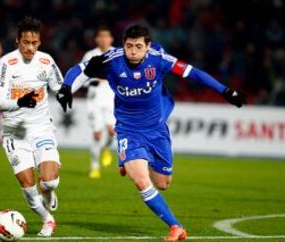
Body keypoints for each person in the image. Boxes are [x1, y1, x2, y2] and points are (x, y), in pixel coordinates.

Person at [57, 25, 246, 241]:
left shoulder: (159, 59)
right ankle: (175, 226)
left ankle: (129, 160)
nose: (133, 51)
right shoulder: (111, 59)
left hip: (156, 130)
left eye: (139, 46)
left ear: (148, 46)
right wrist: (66, 87)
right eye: (129, 46)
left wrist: (225, 91)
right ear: (123, 45)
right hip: (128, 129)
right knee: (140, 180)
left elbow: (195, 74)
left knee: (163, 183)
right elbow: (78, 70)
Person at [0, 17, 63, 237]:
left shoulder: (46, 61)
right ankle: (48, 220)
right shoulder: (6, 63)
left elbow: (59, 87)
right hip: (15, 132)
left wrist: (65, 93)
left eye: (34, 42)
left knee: (50, 181)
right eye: (26, 42)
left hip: (41, 128)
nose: (30, 47)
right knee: (27, 184)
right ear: (17, 41)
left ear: (40, 42)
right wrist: (20, 102)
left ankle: (49, 191)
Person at [81, 26, 116, 179]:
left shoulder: (117, 54)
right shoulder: (90, 55)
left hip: (112, 98)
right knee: (96, 134)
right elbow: (81, 79)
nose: (103, 39)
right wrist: (93, 82)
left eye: (106, 36)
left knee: (112, 132)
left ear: (111, 39)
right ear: (96, 39)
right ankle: (94, 167)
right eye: (100, 36)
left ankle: (105, 149)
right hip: (94, 99)